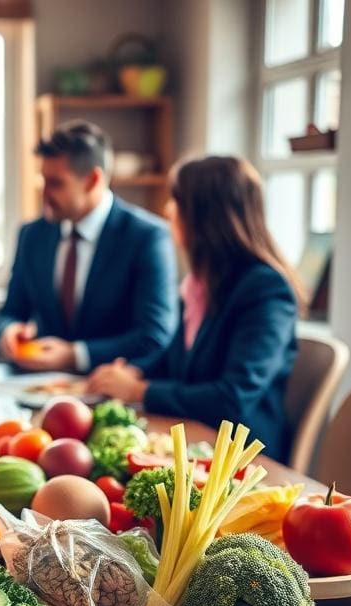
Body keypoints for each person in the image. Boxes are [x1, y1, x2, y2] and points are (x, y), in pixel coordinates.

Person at [87, 156, 303, 461]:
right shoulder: (202, 283)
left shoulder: (266, 289)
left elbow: (233, 397)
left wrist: (139, 390)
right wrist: (134, 371)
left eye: (177, 201)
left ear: (206, 215)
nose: (167, 210)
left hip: (243, 459)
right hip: (197, 439)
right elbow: (179, 361)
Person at [0, 120, 178, 373]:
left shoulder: (147, 237)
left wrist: (75, 355)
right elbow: (11, 312)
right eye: (43, 180)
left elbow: (153, 336)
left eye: (56, 183)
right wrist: (9, 331)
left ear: (92, 180)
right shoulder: (32, 235)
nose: (44, 192)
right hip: (38, 390)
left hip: (113, 396)